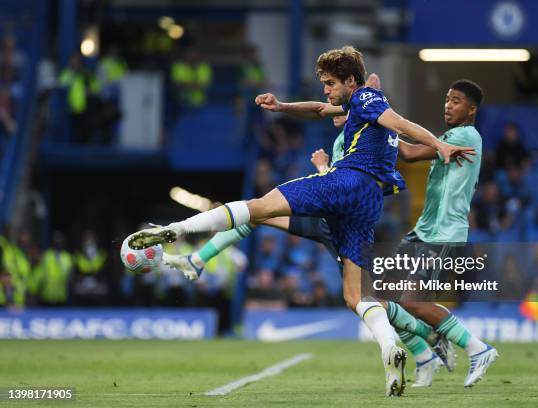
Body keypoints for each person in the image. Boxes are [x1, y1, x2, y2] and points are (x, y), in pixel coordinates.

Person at [126, 46, 473, 396]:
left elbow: (400, 123)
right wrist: (282, 107)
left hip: (346, 183)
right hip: (367, 204)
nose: (326, 90)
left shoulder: (366, 99)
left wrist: (438, 144)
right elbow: (321, 109)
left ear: (350, 81)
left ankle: (176, 230)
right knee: (357, 295)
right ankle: (390, 347)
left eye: (330, 83)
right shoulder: (357, 106)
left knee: (258, 207)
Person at [385, 80, 498, 388]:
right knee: (389, 294)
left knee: (412, 303)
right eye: (448, 99)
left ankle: (478, 348)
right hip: (425, 229)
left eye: (457, 100)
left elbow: (407, 154)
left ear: (471, 110)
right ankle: (431, 349)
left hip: (443, 232)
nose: (448, 104)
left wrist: (379, 120)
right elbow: (407, 152)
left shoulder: (464, 135)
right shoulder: (450, 137)